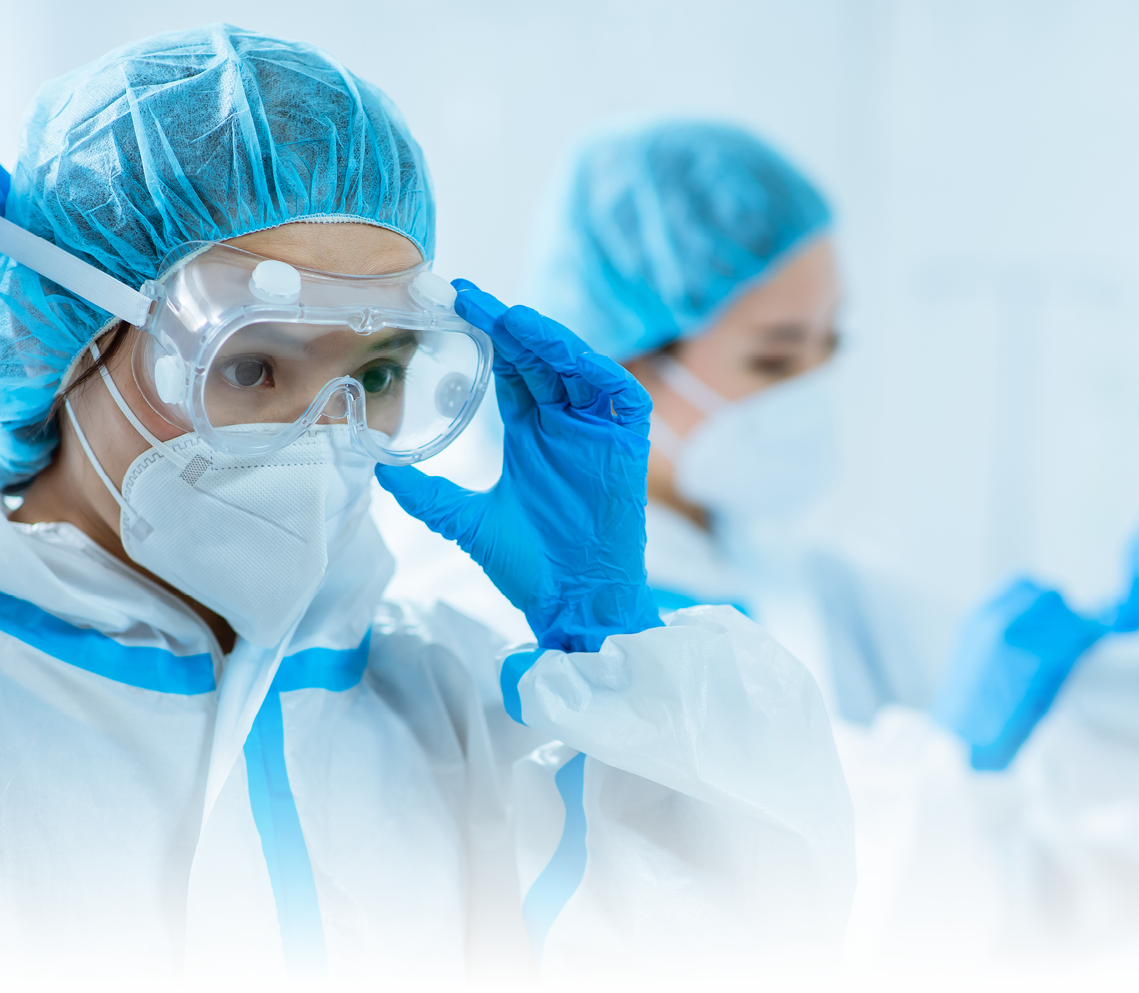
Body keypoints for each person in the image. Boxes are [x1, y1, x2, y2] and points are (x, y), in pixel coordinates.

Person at [0, 30, 857, 989]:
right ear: (60, 337)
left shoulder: (439, 703)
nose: (324, 430)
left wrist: (618, 654)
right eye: (252, 366)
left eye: (376, 370)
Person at [515, 119, 1139, 986]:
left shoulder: (800, 581)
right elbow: (762, 955)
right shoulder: (535, 616)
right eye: (775, 359)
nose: (809, 391)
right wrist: (951, 766)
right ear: (615, 363)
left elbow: (1037, 876)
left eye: (830, 345)